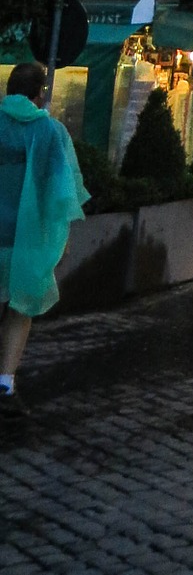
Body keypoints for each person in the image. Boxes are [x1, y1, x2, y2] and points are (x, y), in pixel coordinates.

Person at [0, 62, 90, 418]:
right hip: (30, 236)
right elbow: (61, 191)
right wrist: (61, 238)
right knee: (21, 306)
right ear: (40, 93)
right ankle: (5, 379)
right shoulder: (51, 133)